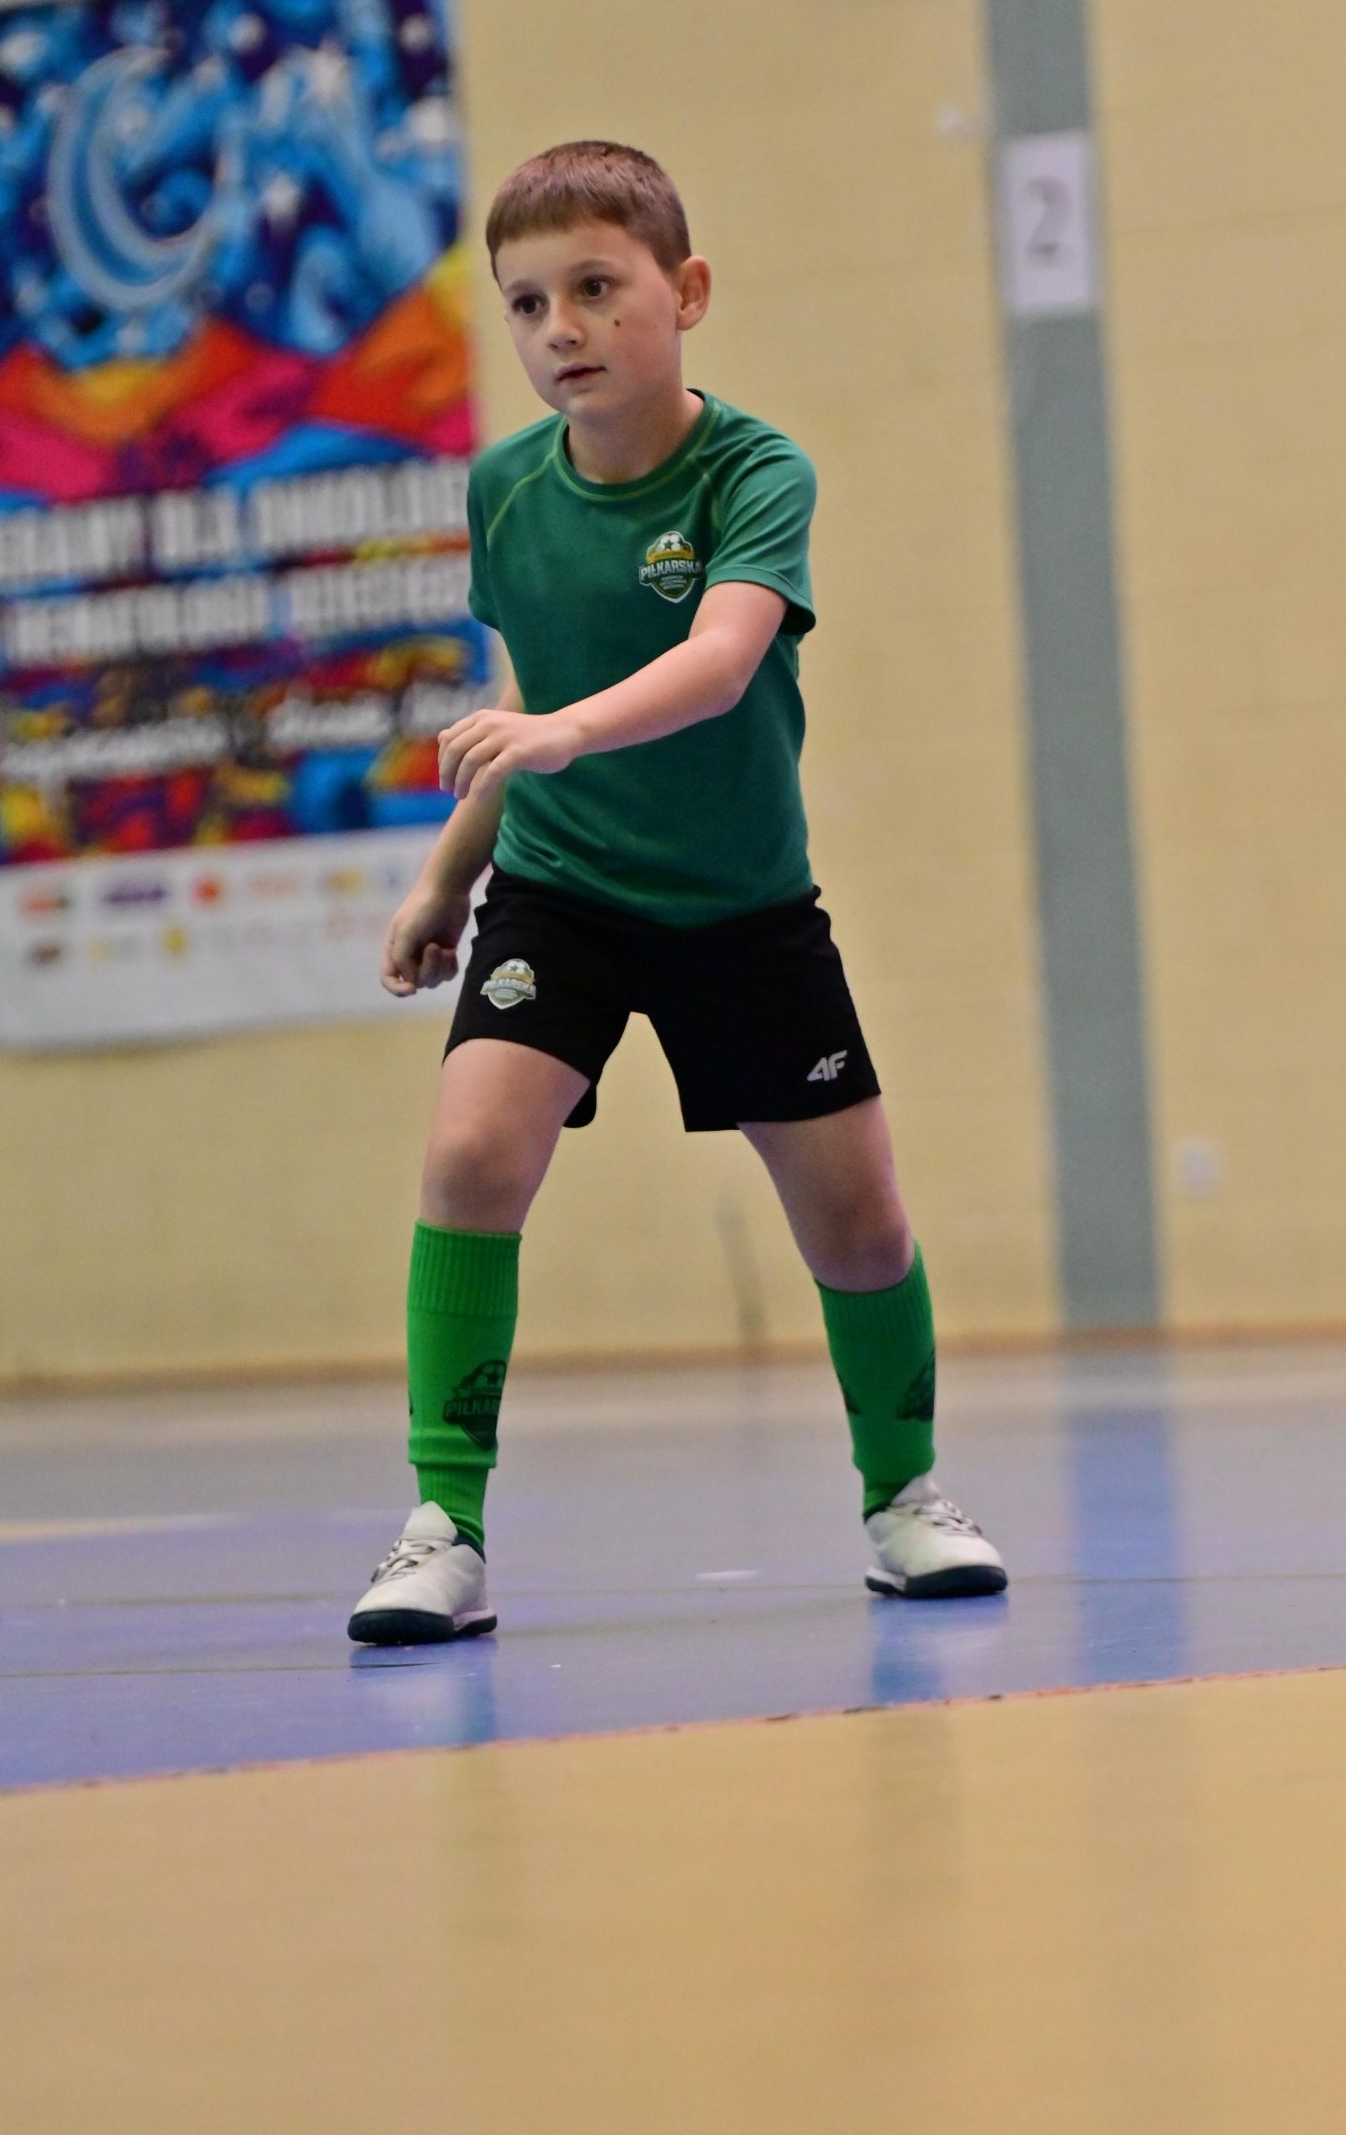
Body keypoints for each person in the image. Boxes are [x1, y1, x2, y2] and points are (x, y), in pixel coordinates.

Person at [347, 141, 1006, 1646]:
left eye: (596, 287)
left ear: (685, 291)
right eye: (527, 304)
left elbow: (715, 665)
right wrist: (448, 876)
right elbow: (535, 700)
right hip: (561, 892)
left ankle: (904, 1498)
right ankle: (444, 1526)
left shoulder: (756, 473)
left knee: (859, 1226)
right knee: (471, 1158)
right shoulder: (506, 490)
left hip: (740, 907)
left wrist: (559, 732)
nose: (560, 328)